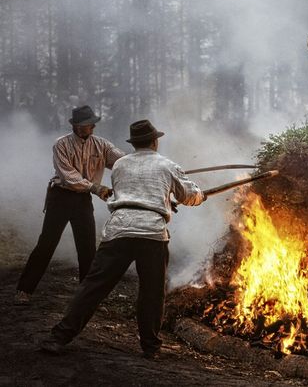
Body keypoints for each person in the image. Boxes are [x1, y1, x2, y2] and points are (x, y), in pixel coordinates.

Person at [39, 119, 205, 359]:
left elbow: (130, 195)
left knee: (92, 288)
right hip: (151, 235)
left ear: (134, 143)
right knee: (151, 292)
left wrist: (163, 200)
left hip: (119, 231)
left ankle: (58, 338)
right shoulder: (167, 165)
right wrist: (201, 196)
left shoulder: (119, 166)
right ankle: (150, 348)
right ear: (155, 141)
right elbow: (189, 195)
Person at [15, 106, 125, 304]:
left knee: (88, 249)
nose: (91, 127)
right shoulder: (61, 145)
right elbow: (70, 176)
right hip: (61, 197)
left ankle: (87, 297)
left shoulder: (102, 145)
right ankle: (24, 290)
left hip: (83, 201)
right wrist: (97, 188)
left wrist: (141, 165)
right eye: (86, 124)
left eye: (92, 124)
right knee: (46, 245)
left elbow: (121, 162)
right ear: (75, 125)